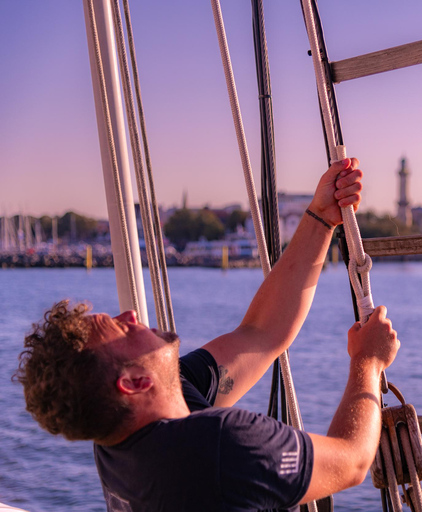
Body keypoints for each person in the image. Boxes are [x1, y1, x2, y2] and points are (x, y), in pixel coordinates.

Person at [15, 158, 400, 512]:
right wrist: (367, 362)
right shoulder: (221, 446)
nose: (131, 315)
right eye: (121, 329)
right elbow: (352, 461)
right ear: (134, 382)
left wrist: (321, 218)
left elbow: (261, 333)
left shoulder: (120, 435)